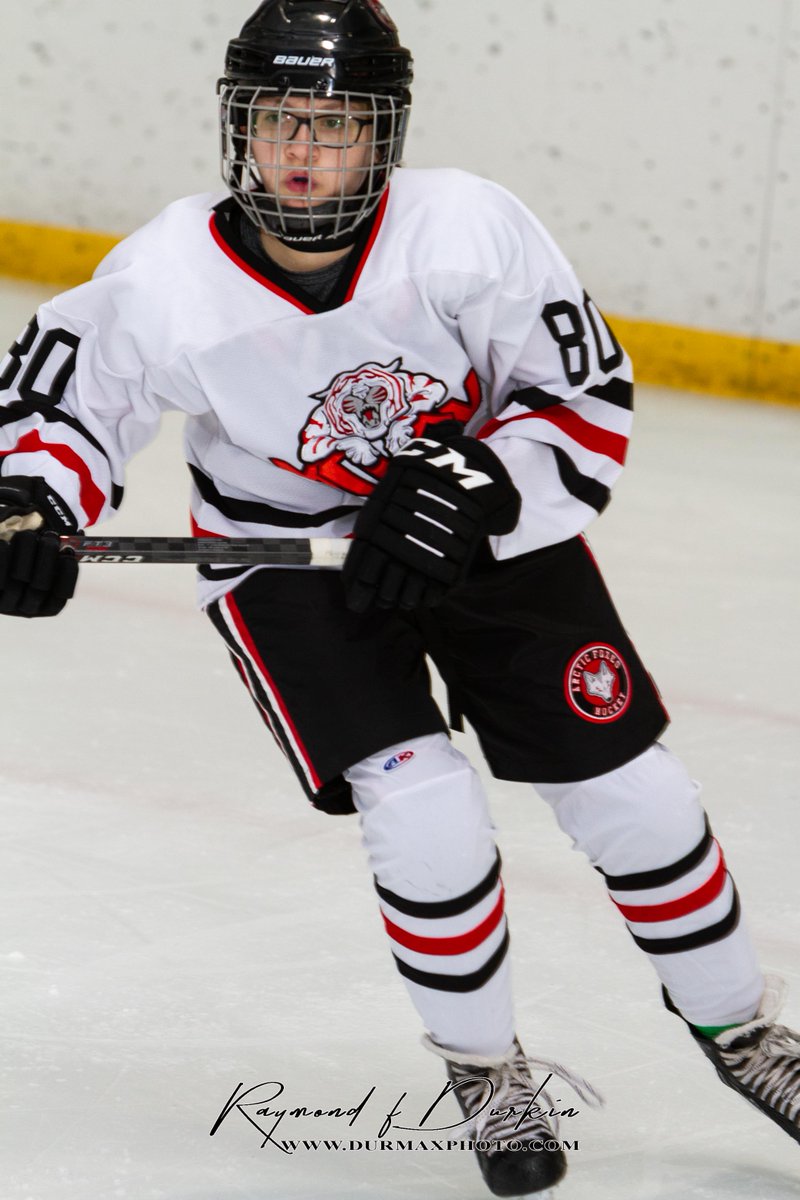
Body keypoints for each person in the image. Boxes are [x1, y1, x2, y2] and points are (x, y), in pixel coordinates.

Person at [0, 0, 797, 1194]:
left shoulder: (467, 229)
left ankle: (743, 1035)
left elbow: (581, 402)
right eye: (279, 122)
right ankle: (484, 1069)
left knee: (630, 793)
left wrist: (478, 483)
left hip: (477, 533)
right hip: (286, 564)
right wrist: (30, 506)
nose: (305, 154)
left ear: (385, 136)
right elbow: (64, 411)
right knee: (420, 809)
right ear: (239, 131)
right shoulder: (166, 275)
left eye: (334, 125)